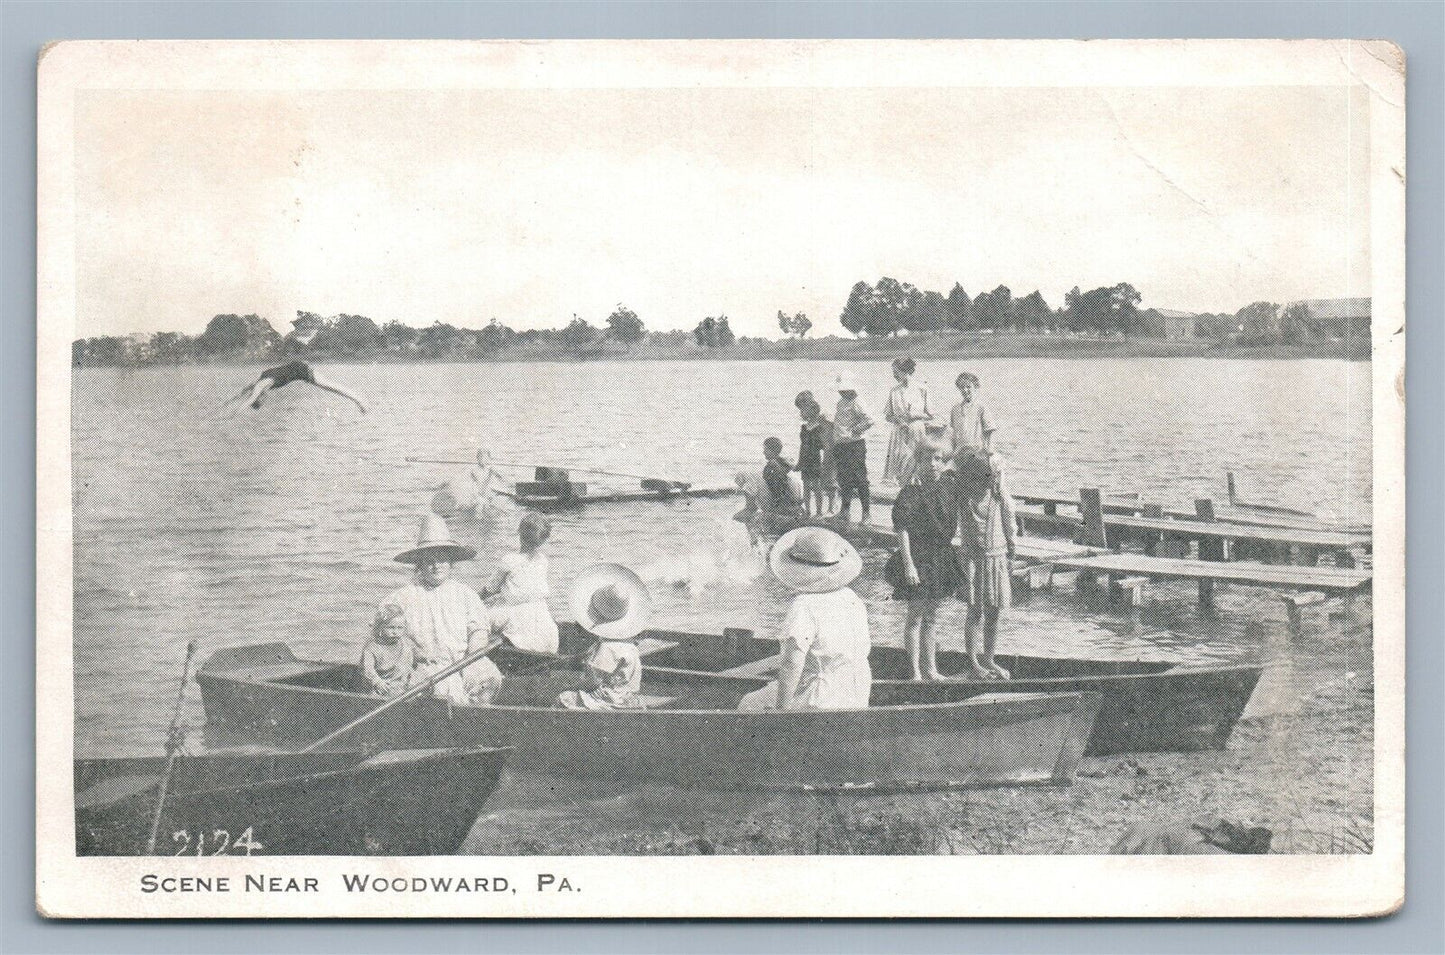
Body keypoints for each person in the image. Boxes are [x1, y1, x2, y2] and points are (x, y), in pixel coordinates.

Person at [738, 527, 872, 711]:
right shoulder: (852, 598)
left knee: (749, 702)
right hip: (856, 691)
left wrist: (781, 711)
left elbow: (791, 664)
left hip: (821, 697)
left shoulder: (804, 605)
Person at [382, 514, 502, 705]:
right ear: (419, 564)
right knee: (445, 691)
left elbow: (478, 631)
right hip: (425, 668)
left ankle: (477, 718)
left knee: (489, 677)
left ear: (451, 561)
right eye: (430, 559)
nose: (437, 565)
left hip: (464, 661)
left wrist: (473, 659)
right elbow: (384, 638)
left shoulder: (465, 594)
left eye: (442, 558)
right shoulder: (401, 598)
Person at [884, 441, 961, 681]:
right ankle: (915, 671)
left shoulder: (948, 485)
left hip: (941, 557)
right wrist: (908, 564)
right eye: (927, 460)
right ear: (918, 462)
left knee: (932, 617)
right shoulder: (910, 492)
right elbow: (902, 529)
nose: (933, 464)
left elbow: (969, 462)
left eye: (938, 459)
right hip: (918, 557)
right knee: (915, 615)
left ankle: (931, 669)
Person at [956, 450, 1017, 680]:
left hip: (996, 558)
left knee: (994, 612)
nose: (987, 481)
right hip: (973, 559)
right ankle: (973, 662)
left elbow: (1010, 522)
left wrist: (1012, 547)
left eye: (991, 476)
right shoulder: (963, 495)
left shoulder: (1000, 496)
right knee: (974, 612)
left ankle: (989, 658)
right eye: (982, 476)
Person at [557, 564, 653, 710]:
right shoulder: (631, 646)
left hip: (609, 699)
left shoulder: (607, 648)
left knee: (563, 698)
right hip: (629, 698)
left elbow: (594, 682)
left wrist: (571, 687)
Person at [481, 511, 559, 654]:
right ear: (542, 540)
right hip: (538, 609)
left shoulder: (509, 560)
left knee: (481, 617)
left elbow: (490, 589)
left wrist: (476, 600)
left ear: (519, 534)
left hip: (513, 611)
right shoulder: (543, 560)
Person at [232, 360, 368, 413]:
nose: (265, 400)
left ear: (259, 398)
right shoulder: (257, 384)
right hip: (297, 366)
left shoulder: (260, 387)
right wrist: (227, 404)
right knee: (329, 386)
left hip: (301, 370)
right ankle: (357, 400)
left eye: (261, 401)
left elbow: (249, 399)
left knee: (330, 387)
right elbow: (242, 394)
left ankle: (358, 401)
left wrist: (233, 414)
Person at [832, 371, 874, 524]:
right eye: (840, 390)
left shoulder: (858, 402)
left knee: (860, 479)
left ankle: (866, 513)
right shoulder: (841, 402)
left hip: (855, 445)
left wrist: (857, 429)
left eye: (844, 389)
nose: (841, 392)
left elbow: (869, 420)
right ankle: (845, 511)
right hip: (842, 445)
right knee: (844, 479)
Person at [883, 357, 933, 486]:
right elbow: (888, 416)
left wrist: (915, 415)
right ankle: (902, 491)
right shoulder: (894, 391)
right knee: (900, 465)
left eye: (896, 371)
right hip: (899, 432)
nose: (893, 375)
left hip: (917, 431)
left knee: (915, 464)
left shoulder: (922, 389)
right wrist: (898, 420)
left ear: (905, 371)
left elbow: (931, 415)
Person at [795, 391, 837, 517]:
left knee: (826, 482)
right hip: (812, 458)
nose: (800, 412)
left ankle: (829, 508)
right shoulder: (806, 426)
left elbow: (828, 441)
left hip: (825, 454)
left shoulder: (823, 419)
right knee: (810, 485)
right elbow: (803, 446)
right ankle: (812, 510)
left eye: (802, 408)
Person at [360, 603, 416, 696]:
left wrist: (424, 657)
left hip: (401, 685)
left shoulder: (405, 644)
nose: (395, 632)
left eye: (400, 628)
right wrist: (377, 682)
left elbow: (414, 654)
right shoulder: (372, 647)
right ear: (380, 628)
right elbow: (368, 669)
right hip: (382, 687)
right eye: (391, 627)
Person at [431, 448, 502, 519]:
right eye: (481, 457)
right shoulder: (473, 470)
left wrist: (509, 484)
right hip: (476, 495)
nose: (483, 460)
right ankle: (477, 523)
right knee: (479, 505)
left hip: (486, 495)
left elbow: (502, 478)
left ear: (489, 459)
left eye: (485, 458)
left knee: (489, 504)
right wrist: (444, 483)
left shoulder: (491, 470)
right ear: (477, 458)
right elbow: (459, 477)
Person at [948, 372, 995, 461]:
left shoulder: (981, 407)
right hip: (960, 453)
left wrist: (990, 451)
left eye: (968, 387)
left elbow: (990, 431)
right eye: (962, 387)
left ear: (975, 387)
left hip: (977, 453)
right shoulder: (955, 409)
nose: (965, 390)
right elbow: (953, 433)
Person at [761, 436, 805, 517]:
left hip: (785, 505)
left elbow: (777, 485)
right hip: (797, 501)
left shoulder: (772, 464)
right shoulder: (784, 462)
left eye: (765, 449)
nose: (763, 452)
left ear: (772, 451)